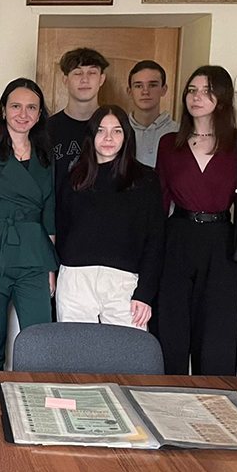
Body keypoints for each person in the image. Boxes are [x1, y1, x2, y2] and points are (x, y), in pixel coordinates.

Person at [156, 65, 237, 376]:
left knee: (216, 339)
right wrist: (147, 257)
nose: (196, 97)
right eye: (191, 90)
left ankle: (213, 401)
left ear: (222, 98)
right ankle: (165, 400)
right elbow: (159, 204)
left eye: (207, 91)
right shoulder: (169, 143)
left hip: (221, 242)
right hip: (177, 239)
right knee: (170, 334)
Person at [0, 79, 58, 370]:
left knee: (40, 344)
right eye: (16, 106)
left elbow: (49, 216)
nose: (23, 114)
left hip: (34, 258)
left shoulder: (45, 156)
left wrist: (50, 268)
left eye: (31, 108)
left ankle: (35, 397)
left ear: (39, 115)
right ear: (3, 110)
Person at [55, 106, 163, 330]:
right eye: (101, 130)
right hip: (76, 279)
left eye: (116, 131)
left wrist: (145, 294)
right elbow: (61, 230)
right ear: (91, 136)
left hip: (124, 282)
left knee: (128, 350)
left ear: (126, 136)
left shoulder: (146, 180)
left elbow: (155, 240)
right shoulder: (73, 180)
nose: (108, 138)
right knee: (75, 349)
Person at [47, 47, 109, 186]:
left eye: (92, 73)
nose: (85, 79)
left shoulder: (115, 128)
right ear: (65, 80)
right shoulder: (48, 128)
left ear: (102, 79)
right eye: (77, 73)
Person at [127, 60, 179, 167]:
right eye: (138, 86)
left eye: (152, 85)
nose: (145, 92)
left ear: (164, 89)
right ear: (130, 91)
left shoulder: (178, 132)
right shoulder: (118, 131)